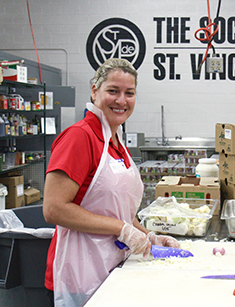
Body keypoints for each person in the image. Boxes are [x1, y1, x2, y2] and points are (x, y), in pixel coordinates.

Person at [42, 58, 180, 307]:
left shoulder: (116, 143)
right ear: (95, 90)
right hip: (79, 273)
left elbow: (119, 209)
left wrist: (148, 236)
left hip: (111, 266)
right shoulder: (79, 137)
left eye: (129, 93)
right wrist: (121, 229)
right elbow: (53, 209)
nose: (121, 101)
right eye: (113, 91)